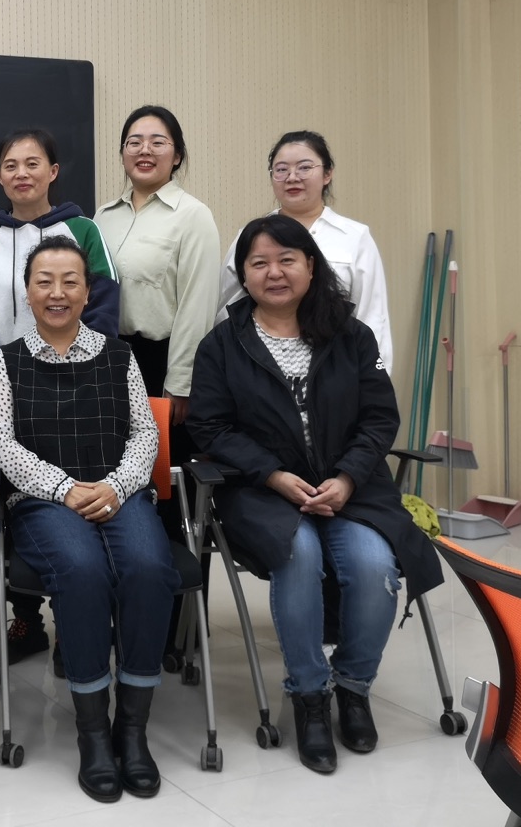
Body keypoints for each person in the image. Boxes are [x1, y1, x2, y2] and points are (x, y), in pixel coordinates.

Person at [188, 215, 442, 775]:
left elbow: (380, 418)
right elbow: (210, 427)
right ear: (243, 275)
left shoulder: (352, 336)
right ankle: (308, 695)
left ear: (310, 266)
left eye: (287, 260)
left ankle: (352, 686)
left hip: (351, 488)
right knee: (297, 553)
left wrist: (347, 477)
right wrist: (273, 475)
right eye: (259, 263)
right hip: (261, 490)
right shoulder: (222, 344)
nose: (274, 273)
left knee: (375, 565)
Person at [0, 236, 177, 803]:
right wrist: (65, 489)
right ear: (27, 292)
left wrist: (117, 485)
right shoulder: (5, 361)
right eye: (44, 281)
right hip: (43, 501)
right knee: (82, 570)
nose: (57, 292)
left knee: (149, 567)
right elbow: (1, 445)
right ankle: (92, 733)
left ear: (88, 292)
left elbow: (144, 434)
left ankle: (131, 731)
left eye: (70, 281)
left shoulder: (120, 356)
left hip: (120, 492)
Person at [0, 127, 120, 665]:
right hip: (4, 395)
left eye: (33, 163)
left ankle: (81, 618)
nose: (21, 173)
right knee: (17, 503)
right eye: (11, 165)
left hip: (81, 393)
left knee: (83, 499)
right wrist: (6, 373)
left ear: (52, 172)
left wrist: (76, 366)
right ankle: (26, 620)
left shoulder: (83, 229)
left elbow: (103, 305)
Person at [94, 104, 220, 457]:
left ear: (177, 156)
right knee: (110, 466)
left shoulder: (193, 215)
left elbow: (198, 305)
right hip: (109, 363)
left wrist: (181, 381)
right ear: (122, 153)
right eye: (134, 142)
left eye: (157, 142)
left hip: (160, 363)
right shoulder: (103, 217)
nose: (144, 150)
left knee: (162, 469)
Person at [218, 130, 393, 368]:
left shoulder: (355, 237)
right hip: (261, 367)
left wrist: (375, 378)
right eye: (281, 169)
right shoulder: (249, 237)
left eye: (304, 168)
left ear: (327, 174)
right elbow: (228, 310)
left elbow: (373, 316)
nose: (292, 177)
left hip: (337, 366)